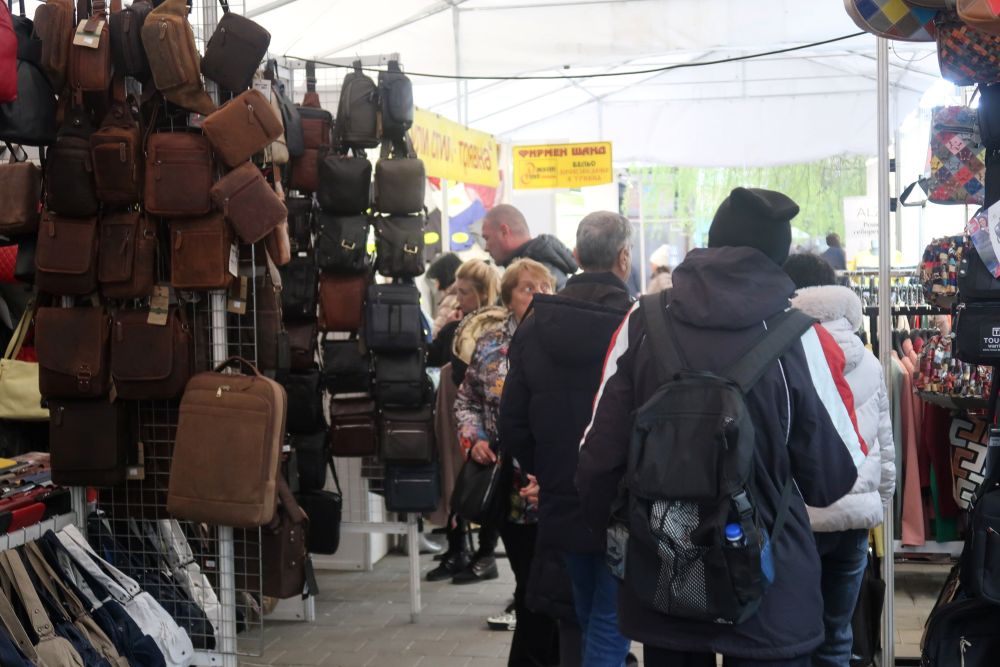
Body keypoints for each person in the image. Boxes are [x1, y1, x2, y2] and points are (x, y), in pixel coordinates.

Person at [576, 186, 864, 667]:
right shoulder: (802, 338)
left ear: (709, 243)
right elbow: (833, 476)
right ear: (778, 257)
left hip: (665, 579)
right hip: (769, 590)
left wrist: (627, 534)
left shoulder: (641, 323)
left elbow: (596, 459)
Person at [500, 211, 635, 667]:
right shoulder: (638, 323)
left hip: (560, 488)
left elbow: (512, 420)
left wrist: (545, 470)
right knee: (609, 616)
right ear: (623, 258)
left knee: (581, 608)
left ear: (576, 255)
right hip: (622, 492)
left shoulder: (536, 322)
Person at [782, 253, 896, 667]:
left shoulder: (782, 352)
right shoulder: (869, 360)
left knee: (792, 634)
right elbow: (884, 444)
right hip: (854, 519)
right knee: (837, 636)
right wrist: (878, 502)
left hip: (800, 519)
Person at [455, 258, 559, 665]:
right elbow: (467, 401)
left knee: (546, 592)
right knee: (531, 586)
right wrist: (474, 440)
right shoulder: (491, 345)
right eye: (528, 288)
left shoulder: (562, 343)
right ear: (508, 297)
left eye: (546, 287)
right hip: (510, 488)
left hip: (555, 486)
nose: (539, 295)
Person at [426, 259, 503, 583]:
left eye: (465, 293)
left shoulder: (495, 328)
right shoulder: (460, 326)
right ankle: (461, 550)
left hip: (484, 415)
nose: (458, 299)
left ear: (483, 293)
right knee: (457, 478)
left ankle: (484, 554)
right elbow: (434, 355)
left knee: (484, 481)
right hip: (459, 412)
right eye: (457, 292)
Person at [480, 204, 578, 289]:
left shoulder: (535, 276)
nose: (486, 248)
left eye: (487, 238)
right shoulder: (540, 269)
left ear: (504, 231)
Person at [427, 252, 464, 336]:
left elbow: (436, 333)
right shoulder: (461, 297)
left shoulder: (449, 300)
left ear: (444, 276)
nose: (436, 283)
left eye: (437, 278)